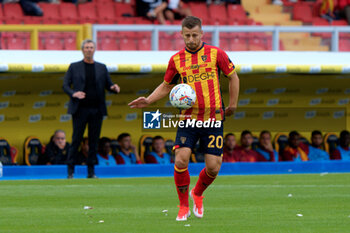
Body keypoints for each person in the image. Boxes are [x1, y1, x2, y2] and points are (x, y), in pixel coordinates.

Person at [128, 16, 239, 221]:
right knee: (181, 159)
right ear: (181, 34)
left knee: (214, 166)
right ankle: (183, 205)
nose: (191, 39)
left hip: (213, 119)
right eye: (187, 35)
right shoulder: (176, 59)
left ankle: (197, 193)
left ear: (202, 33)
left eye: (194, 35)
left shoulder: (216, 54)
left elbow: (233, 77)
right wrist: (149, 100)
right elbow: (167, 85)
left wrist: (232, 104)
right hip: (188, 119)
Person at [63, 39, 120, 179]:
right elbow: (65, 85)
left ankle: (91, 171)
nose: (89, 49)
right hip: (80, 109)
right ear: (82, 50)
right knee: (76, 139)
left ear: (94, 50)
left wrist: (114, 88)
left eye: (91, 47)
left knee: (94, 142)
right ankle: (70, 171)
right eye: (86, 47)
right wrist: (73, 93)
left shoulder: (101, 67)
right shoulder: (74, 66)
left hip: (97, 110)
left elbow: (109, 85)